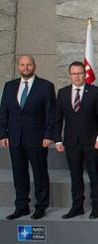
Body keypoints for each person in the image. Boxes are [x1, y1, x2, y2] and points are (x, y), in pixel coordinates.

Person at [0, 55, 56, 220]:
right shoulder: (9, 86)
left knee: (40, 173)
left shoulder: (45, 86)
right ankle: (22, 206)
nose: (25, 67)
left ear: (34, 66)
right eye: (22, 65)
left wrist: (48, 135)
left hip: (37, 138)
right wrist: (3, 134)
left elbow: (50, 114)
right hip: (15, 138)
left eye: (29, 64)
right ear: (18, 66)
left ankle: (41, 206)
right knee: (19, 174)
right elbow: (3, 112)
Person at [54, 61, 98, 220]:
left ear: (85, 74)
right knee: (75, 176)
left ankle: (96, 207)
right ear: (70, 75)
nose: (77, 76)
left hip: (92, 141)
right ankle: (77, 207)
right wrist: (57, 140)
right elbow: (57, 119)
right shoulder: (62, 93)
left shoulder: (95, 92)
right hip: (71, 142)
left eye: (80, 73)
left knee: (94, 175)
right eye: (74, 73)